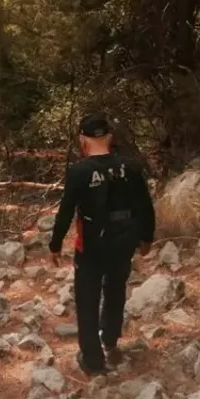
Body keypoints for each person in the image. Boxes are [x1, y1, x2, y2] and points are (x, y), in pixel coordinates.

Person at [49, 113, 156, 375]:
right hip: (124, 240)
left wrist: (55, 244)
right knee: (116, 289)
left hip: (92, 244)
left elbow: (66, 211)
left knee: (87, 299)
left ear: (82, 139)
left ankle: (93, 360)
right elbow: (145, 205)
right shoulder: (130, 167)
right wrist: (147, 238)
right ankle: (110, 339)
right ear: (109, 137)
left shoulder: (79, 172)